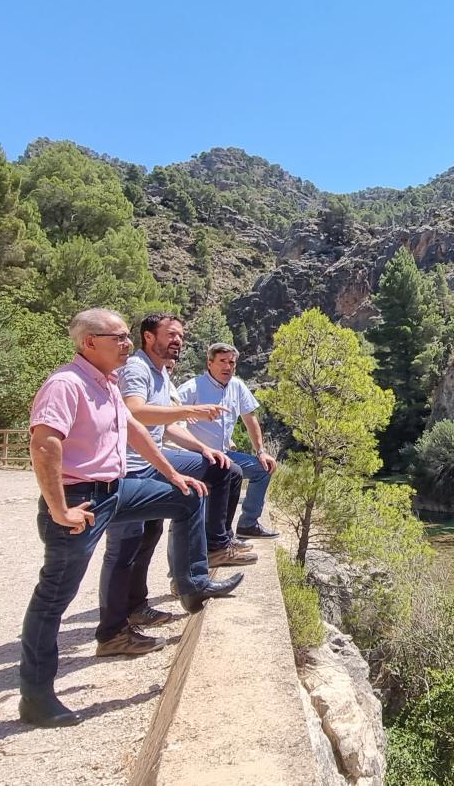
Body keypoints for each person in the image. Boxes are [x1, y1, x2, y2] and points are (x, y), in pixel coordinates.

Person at [21, 308, 243, 728]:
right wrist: (58, 509)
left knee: (186, 498)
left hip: (116, 490)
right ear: (89, 343)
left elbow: (133, 431)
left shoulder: (104, 383)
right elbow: (45, 444)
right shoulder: (66, 384)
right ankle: (35, 695)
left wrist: (173, 474)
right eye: (118, 338)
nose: (126, 344)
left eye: (127, 337)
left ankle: (193, 584)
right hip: (80, 499)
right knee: (54, 596)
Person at [97, 314, 256, 659]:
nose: (178, 341)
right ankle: (113, 629)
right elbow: (136, 413)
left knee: (221, 469)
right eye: (170, 335)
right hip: (129, 469)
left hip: (150, 463)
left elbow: (166, 428)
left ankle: (207, 552)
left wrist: (203, 448)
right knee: (126, 545)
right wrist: (192, 411)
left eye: (181, 336)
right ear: (148, 336)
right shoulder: (138, 369)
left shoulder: (161, 373)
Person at [178, 343, 280, 539]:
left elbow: (250, 419)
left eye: (231, 362)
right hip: (197, 456)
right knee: (230, 476)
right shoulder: (192, 388)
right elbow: (168, 416)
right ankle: (218, 539)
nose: (227, 367)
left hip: (224, 453)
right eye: (222, 361)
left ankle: (248, 524)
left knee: (263, 469)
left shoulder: (237, 386)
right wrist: (184, 416)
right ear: (210, 364)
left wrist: (261, 452)